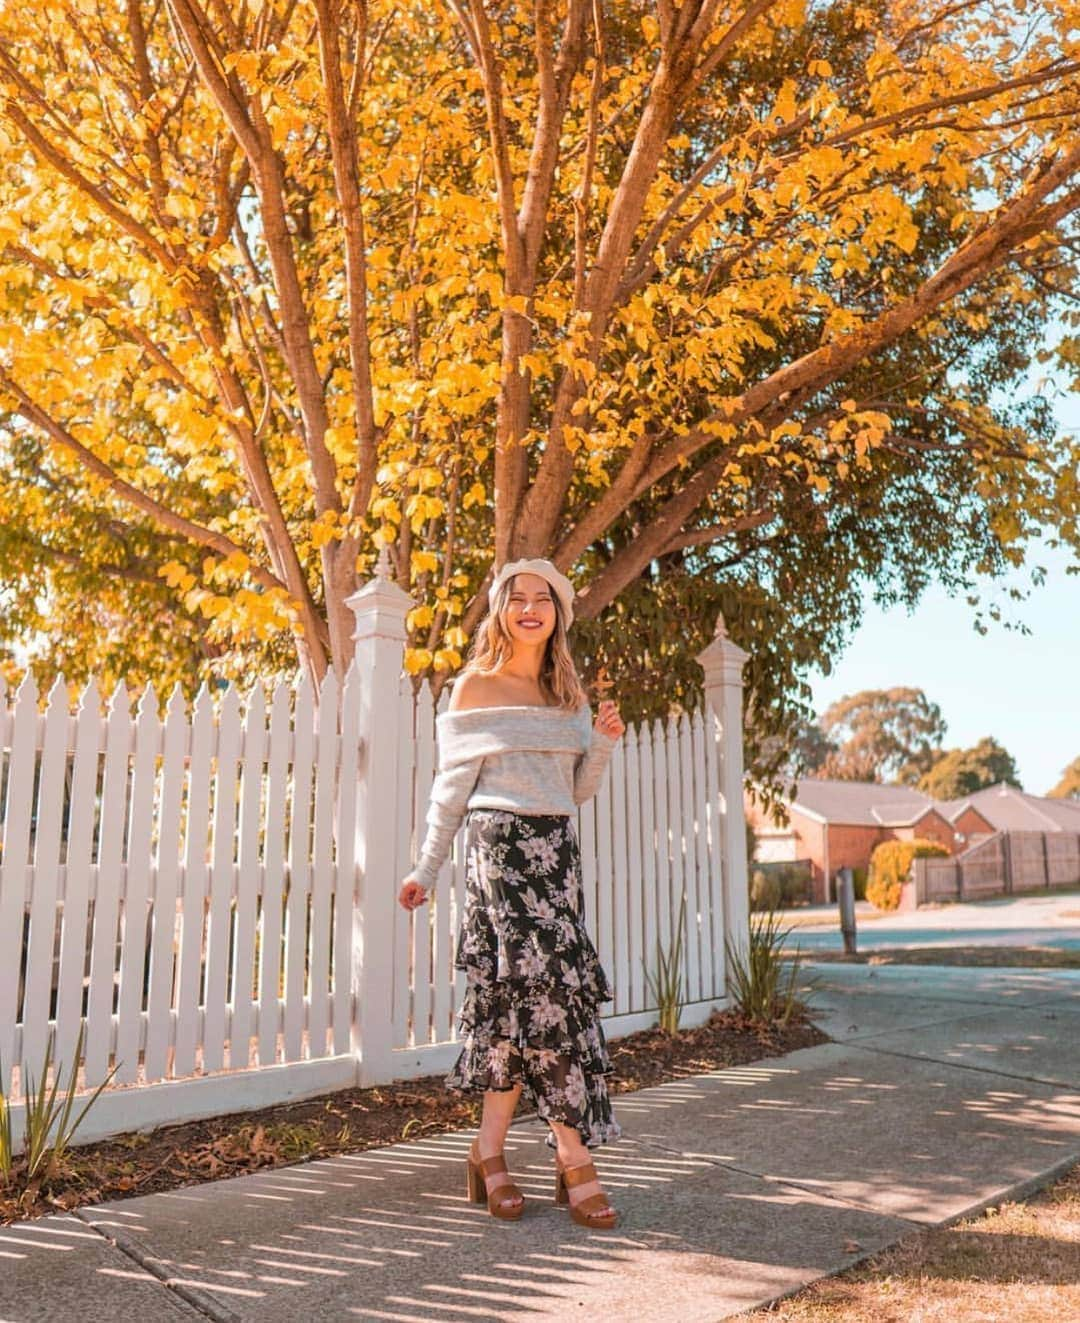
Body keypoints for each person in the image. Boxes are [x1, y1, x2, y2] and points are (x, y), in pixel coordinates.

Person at [397, 557, 626, 1229]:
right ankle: (572, 1155)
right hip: (497, 856)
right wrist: (425, 868)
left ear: (558, 614)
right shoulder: (472, 689)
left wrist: (604, 744)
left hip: (557, 857)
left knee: (515, 1013)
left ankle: (487, 1151)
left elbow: (574, 791)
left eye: (543, 599)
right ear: (500, 610)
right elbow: (449, 796)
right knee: (545, 1003)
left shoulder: (568, 696)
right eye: (517, 597)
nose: (530, 607)